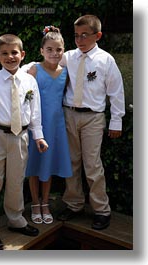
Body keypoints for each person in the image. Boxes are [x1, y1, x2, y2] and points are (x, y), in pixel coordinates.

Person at [0, 34, 48, 250]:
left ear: (22, 54)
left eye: (14, 52)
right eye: (4, 53)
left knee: (16, 180)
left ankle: (16, 219)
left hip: (20, 137)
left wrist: (38, 136)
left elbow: (35, 112)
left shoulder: (29, 81)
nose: (10, 57)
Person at [57, 15, 125, 230]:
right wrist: (51, 35)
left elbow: (116, 92)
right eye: (76, 35)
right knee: (71, 162)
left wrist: (116, 121)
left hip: (93, 118)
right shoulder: (68, 56)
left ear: (98, 35)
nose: (79, 40)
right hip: (69, 114)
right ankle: (74, 204)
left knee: (92, 165)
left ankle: (101, 210)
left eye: (84, 35)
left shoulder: (106, 60)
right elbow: (47, 61)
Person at [22, 26, 72, 225]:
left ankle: (45, 202)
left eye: (58, 49)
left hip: (56, 126)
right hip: (37, 124)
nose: (54, 53)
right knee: (34, 164)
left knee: (49, 163)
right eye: (49, 49)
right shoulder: (34, 69)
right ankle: (34, 202)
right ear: (42, 51)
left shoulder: (66, 72)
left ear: (63, 50)